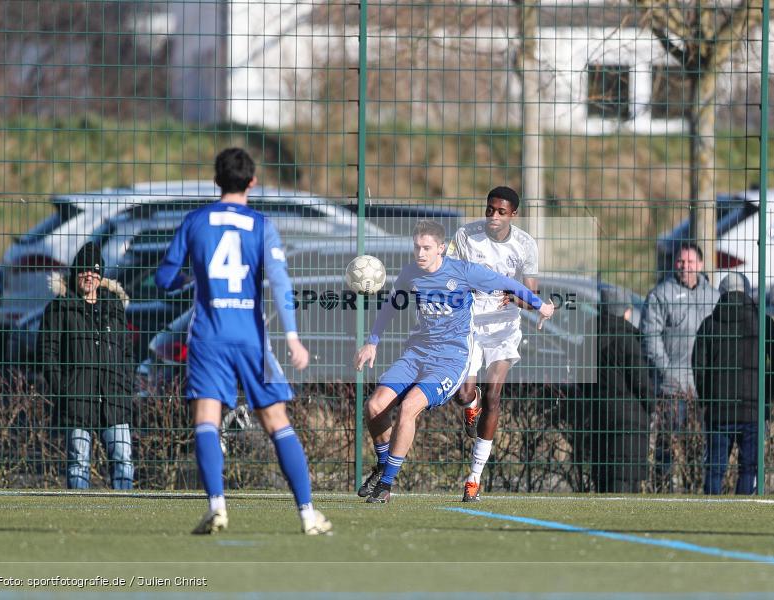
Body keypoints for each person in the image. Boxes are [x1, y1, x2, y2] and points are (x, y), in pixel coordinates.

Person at [155, 147, 331, 535]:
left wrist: (189, 280)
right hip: (252, 337)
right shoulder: (261, 225)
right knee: (276, 421)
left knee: (206, 418)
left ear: (216, 181)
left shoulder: (195, 221)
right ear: (252, 182)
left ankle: (217, 506)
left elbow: (163, 278)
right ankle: (307, 515)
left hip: (208, 335)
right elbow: (281, 282)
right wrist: (293, 337)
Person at [353, 220, 554, 503]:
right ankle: (384, 463)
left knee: (409, 407)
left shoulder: (463, 272)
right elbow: (390, 306)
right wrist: (372, 341)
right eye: (416, 247)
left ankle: (385, 484)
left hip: (449, 360)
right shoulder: (410, 273)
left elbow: (508, 283)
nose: (420, 253)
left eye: (426, 248)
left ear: (441, 248)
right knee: (373, 407)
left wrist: (540, 304)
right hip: (416, 353)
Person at [444, 186, 539, 502]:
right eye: (489, 210)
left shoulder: (525, 245)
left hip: (503, 329)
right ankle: (472, 404)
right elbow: (448, 275)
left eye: (501, 212)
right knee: (462, 394)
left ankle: (474, 478)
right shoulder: (466, 236)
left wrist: (518, 298)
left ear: (513, 214)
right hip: (470, 324)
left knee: (495, 397)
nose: (493, 217)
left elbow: (531, 295)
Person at [38, 241, 135, 490]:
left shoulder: (114, 308)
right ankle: (77, 514)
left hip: (114, 399)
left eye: (93, 271)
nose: (88, 276)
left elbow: (127, 352)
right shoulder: (59, 308)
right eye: (83, 271)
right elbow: (47, 353)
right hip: (77, 398)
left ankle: (126, 514)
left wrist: (125, 385)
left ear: (100, 275)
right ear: (75, 274)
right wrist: (63, 389)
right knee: (78, 462)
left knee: (123, 460)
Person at [693, 273, 774, 495]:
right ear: (746, 291)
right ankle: (744, 509)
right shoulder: (762, 322)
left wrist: (707, 397)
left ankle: (710, 513)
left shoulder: (709, 324)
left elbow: (698, 365)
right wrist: (768, 393)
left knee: (715, 469)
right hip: (753, 406)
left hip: (719, 409)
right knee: (749, 467)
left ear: (721, 293)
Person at [641, 243, 719, 492]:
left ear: (701, 265)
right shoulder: (660, 296)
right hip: (673, 388)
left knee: (699, 445)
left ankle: (695, 489)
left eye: (691, 262)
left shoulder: (714, 298)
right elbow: (650, 337)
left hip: (705, 387)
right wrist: (668, 372)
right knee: (667, 444)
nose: (685, 267)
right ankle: (662, 488)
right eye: (681, 262)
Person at [588, 287, 654, 493]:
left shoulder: (589, 337)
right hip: (630, 419)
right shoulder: (628, 340)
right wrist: (652, 406)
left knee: (604, 480)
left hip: (598, 414)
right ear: (625, 311)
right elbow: (641, 382)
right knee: (627, 482)